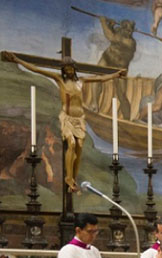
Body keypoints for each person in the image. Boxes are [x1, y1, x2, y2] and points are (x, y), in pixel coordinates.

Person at [2, 51, 125, 192]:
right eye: (66, 69)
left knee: (78, 148)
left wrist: (116, 75)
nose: (69, 71)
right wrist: (18, 60)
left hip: (79, 119)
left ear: (74, 69)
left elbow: (101, 78)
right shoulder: (59, 80)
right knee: (71, 144)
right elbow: (37, 69)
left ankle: (73, 178)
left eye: (71, 68)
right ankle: (69, 178)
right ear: (63, 70)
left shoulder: (81, 81)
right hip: (67, 117)